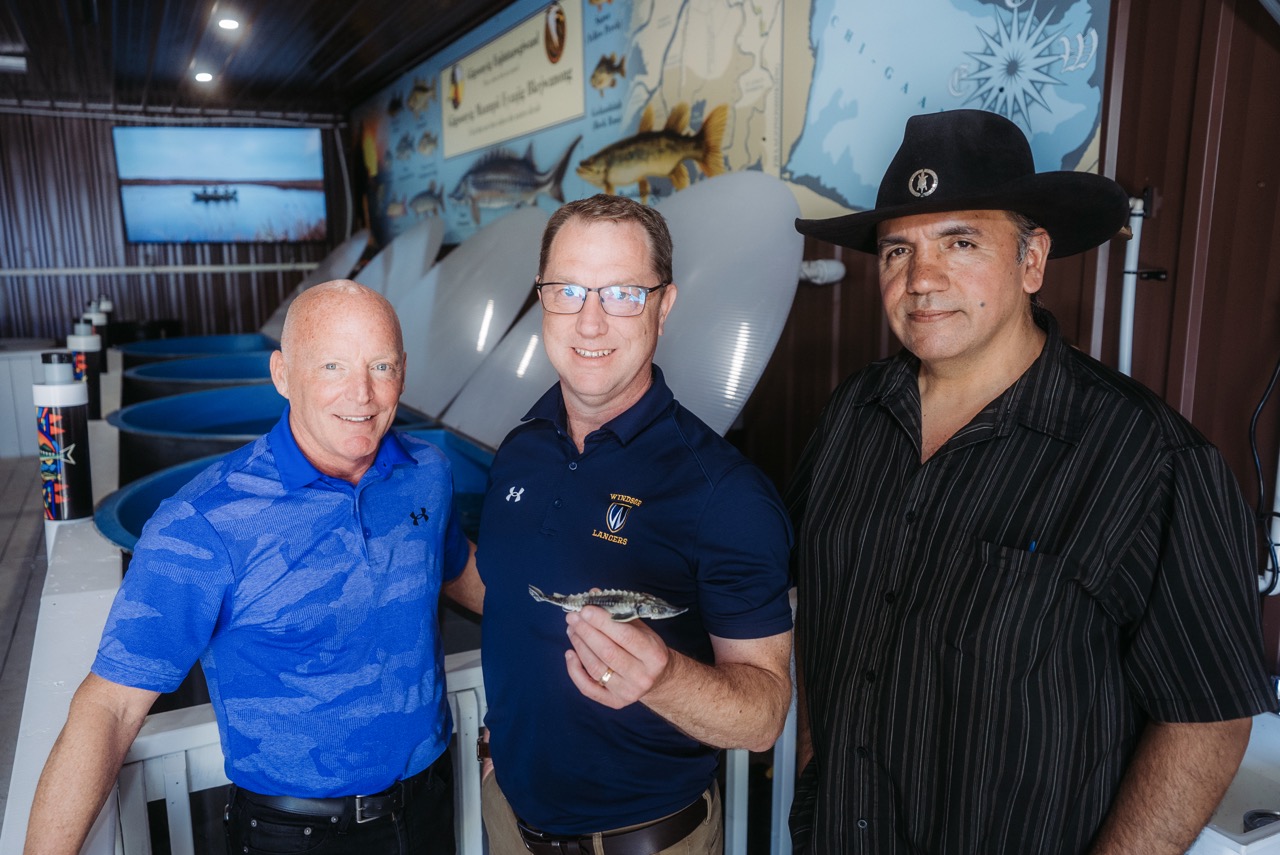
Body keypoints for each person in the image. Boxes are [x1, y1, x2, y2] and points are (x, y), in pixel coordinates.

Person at [785, 108, 1276, 854]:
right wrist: (816, 758)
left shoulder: (1150, 460)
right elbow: (820, 610)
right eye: (896, 251)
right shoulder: (852, 415)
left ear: (1032, 260)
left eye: (960, 242)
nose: (921, 279)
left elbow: (1208, 719)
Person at [25, 280, 483, 855]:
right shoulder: (204, 520)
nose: (362, 394)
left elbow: (459, 571)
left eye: (381, 365)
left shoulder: (427, 471)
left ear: (404, 372)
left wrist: (572, 617)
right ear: (283, 374)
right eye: (333, 366)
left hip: (429, 804)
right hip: (294, 832)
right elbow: (111, 707)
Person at [474, 194, 795, 854]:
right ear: (541, 300)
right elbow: (514, 613)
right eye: (567, 289)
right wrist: (495, 744)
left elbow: (765, 715)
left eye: (621, 292)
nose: (589, 321)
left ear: (664, 305)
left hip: (646, 839)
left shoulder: (724, 493)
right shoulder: (519, 449)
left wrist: (665, 678)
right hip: (508, 820)